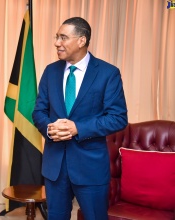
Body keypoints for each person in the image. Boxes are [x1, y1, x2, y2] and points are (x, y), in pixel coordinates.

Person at [32, 17, 128, 220]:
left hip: (90, 168)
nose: (57, 42)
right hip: (55, 167)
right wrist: (49, 129)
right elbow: (39, 111)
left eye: (63, 37)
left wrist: (78, 128)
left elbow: (118, 118)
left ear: (82, 40)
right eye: (56, 37)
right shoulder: (51, 71)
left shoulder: (108, 73)